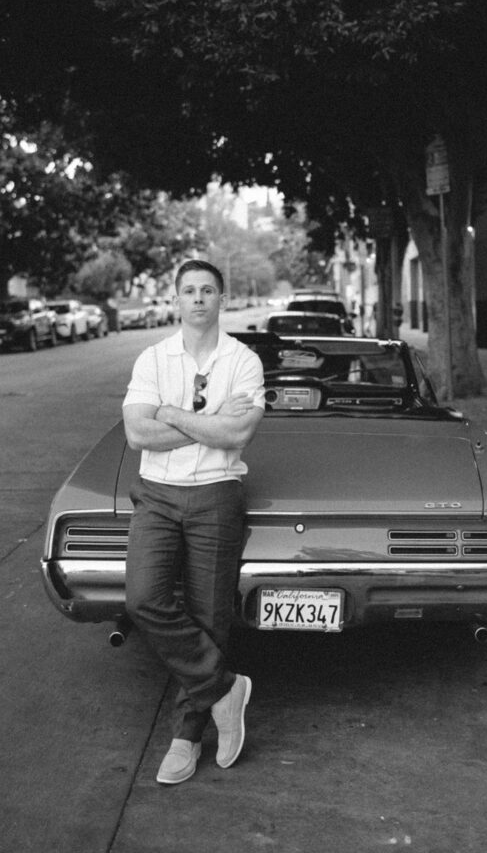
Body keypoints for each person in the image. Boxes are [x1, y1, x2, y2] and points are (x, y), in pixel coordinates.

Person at [122, 259, 265, 784]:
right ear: (176, 300)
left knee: (209, 616)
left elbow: (236, 437)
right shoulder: (152, 359)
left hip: (216, 494)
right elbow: (137, 434)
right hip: (157, 494)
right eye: (189, 290)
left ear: (221, 298)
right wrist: (209, 421)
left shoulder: (244, 361)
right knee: (143, 599)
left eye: (208, 290)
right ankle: (226, 689)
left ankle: (186, 737)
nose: (199, 298)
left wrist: (173, 414)